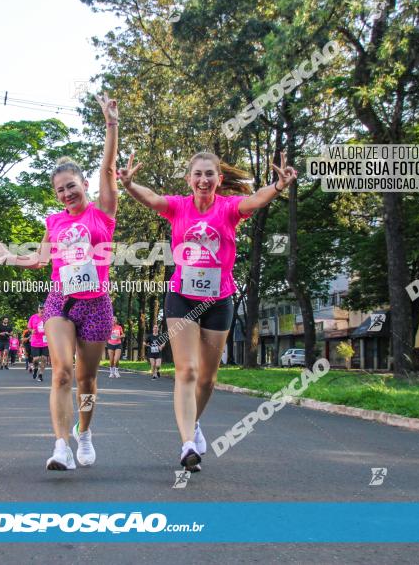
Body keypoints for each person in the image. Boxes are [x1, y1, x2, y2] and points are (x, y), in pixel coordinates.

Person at [118, 150, 297, 472]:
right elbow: (152, 199)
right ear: (189, 179)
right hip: (182, 296)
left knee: (207, 379)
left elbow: (255, 201)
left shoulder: (228, 209)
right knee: (186, 371)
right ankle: (187, 444)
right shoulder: (178, 207)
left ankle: (194, 423)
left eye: (209, 174)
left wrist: (279, 186)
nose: (203, 180)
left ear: (219, 179)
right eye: (197, 174)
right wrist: (129, 185)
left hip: (219, 298)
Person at [0, 92, 120, 470]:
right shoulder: (54, 222)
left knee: (87, 381)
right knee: (62, 371)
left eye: (71, 185)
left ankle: (85, 434)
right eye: (60, 189)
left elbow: (109, 171)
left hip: (97, 305)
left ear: (84, 184)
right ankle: (60, 446)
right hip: (61, 302)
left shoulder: (103, 213)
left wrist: (111, 124)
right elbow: (41, 260)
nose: (66, 193)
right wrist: (11, 258)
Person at [26, 305, 48, 382]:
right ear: (38, 309)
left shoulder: (48, 316)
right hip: (35, 341)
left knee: (44, 359)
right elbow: (28, 327)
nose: (42, 310)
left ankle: (40, 374)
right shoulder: (33, 317)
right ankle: (35, 369)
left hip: (45, 341)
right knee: (36, 359)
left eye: (43, 308)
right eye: (40, 308)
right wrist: (31, 330)